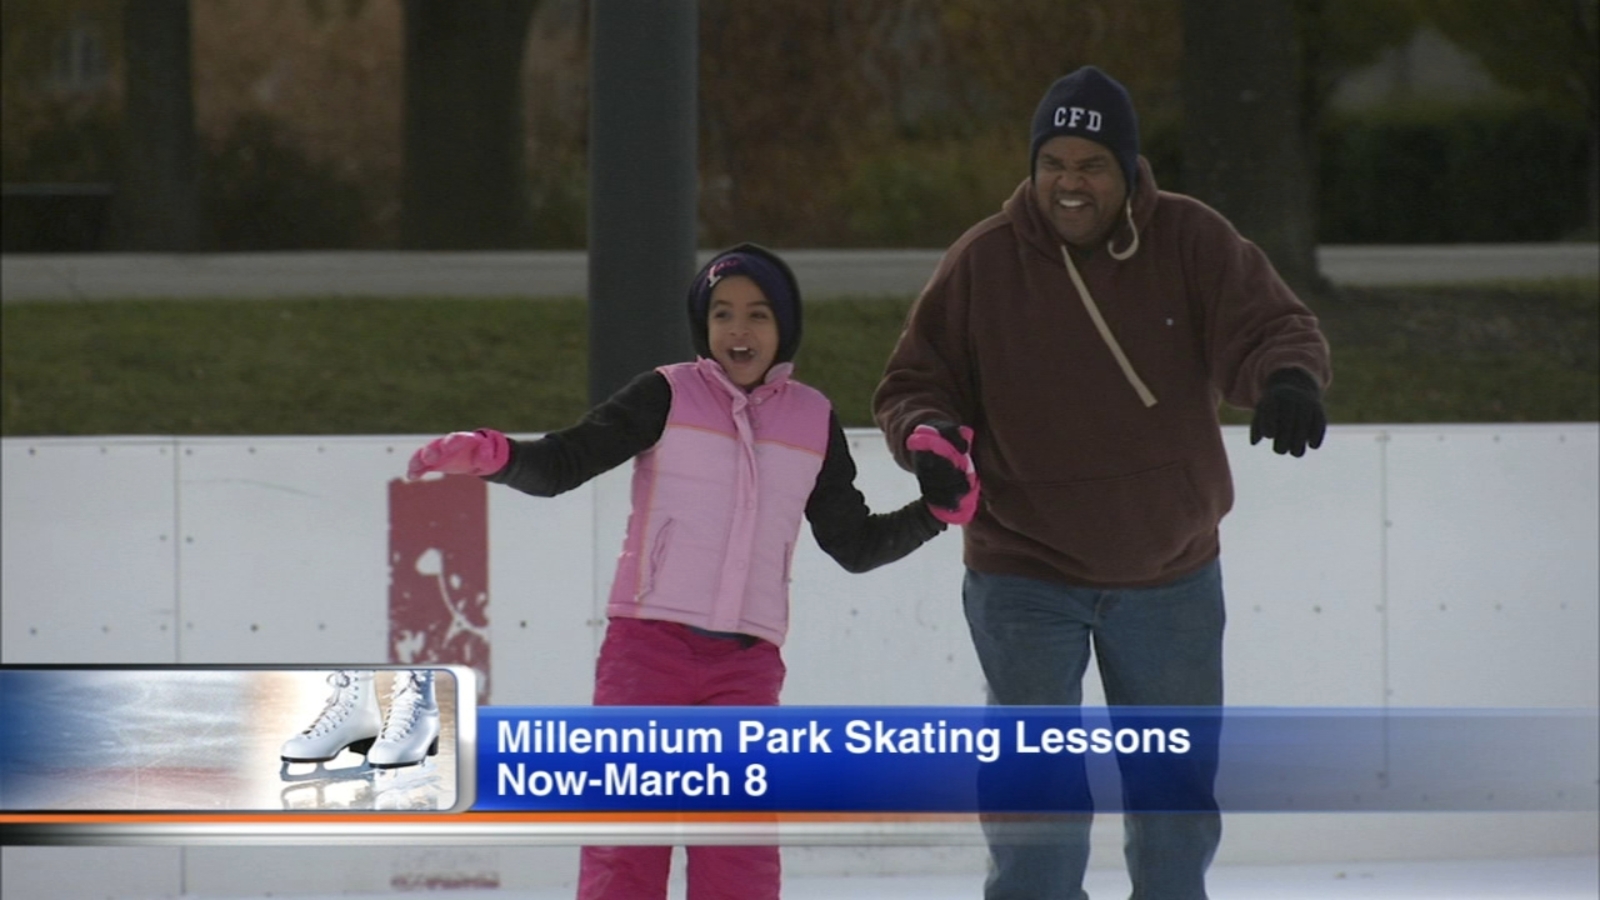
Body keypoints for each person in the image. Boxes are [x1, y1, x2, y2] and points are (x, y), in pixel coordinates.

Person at [872, 66, 1331, 900]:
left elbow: (1271, 325)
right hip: (1023, 571)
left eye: (1091, 163)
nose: (1070, 182)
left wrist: (1289, 379)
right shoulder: (983, 262)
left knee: (1174, 801)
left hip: (1170, 572)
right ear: (1032, 167)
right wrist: (929, 441)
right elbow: (915, 384)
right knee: (1035, 798)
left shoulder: (1192, 240)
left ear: (1128, 172)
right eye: (1054, 162)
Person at [407, 243, 978, 900]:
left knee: (737, 856)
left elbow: (855, 544)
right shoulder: (666, 394)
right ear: (703, 327)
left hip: (746, 665)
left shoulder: (812, 419)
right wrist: (494, 455)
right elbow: (566, 462)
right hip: (646, 652)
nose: (740, 330)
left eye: (758, 314)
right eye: (723, 314)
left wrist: (936, 511)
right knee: (626, 843)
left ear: (784, 328)